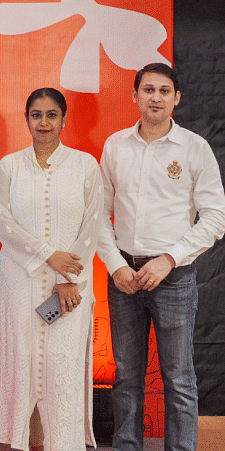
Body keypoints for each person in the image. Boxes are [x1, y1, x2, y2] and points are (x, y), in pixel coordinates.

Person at [97, 63, 225, 451]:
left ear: (176, 98)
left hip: (174, 278)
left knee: (179, 379)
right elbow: (98, 214)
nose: (156, 97)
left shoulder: (194, 148)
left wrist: (168, 259)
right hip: (124, 277)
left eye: (164, 91)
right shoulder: (116, 145)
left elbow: (215, 217)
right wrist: (116, 266)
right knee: (126, 377)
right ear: (135, 95)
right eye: (148, 90)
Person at [0, 88, 102, 451]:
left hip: (70, 290)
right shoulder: (10, 166)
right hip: (20, 283)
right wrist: (47, 255)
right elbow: (2, 223)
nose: (44, 122)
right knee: (23, 362)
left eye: (51, 115)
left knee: (61, 366)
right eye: (36, 115)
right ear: (26, 119)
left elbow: (92, 225)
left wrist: (68, 278)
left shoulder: (85, 165)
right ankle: (23, 443)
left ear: (64, 120)